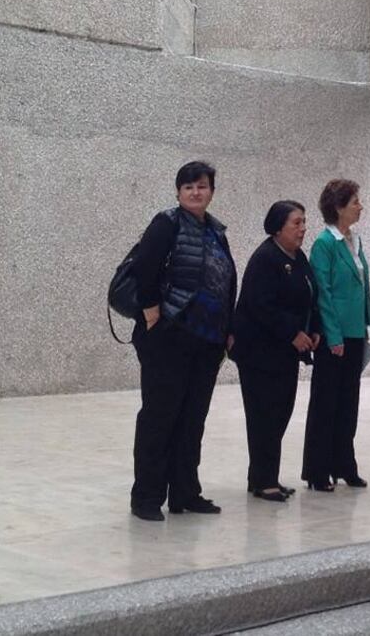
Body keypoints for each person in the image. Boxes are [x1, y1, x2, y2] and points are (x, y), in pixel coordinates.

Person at [129, 161, 237, 522]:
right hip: (169, 338)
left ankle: (185, 492)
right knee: (160, 418)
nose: (196, 192)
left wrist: (227, 329)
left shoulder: (215, 231)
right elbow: (146, 266)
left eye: (202, 186)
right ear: (178, 192)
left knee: (193, 419)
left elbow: (225, 281)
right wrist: (151, 313)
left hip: (206, 342)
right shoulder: (167, 223)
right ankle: (146, 497)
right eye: (189, 186)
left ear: (211, 191)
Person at [230, 201, 320, 501]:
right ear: (278, 227)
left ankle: (266, 475)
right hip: (259, 352)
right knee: (263, 415)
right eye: (296, 223)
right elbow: (260, 306)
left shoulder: (298, 257)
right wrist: (292, 333)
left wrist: (313, 330)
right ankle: (262, 480)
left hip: (285, 353)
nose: (303, 229)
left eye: (304, 222)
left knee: (280, 412)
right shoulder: (265, 258)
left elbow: (310, 295)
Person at [301, 179, 370, 491]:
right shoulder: (324, 243)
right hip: (336, 335)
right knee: (326, 403)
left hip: (356, 330)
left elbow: (362, 284)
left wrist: (366, 321)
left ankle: (344, 464)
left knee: (348, 402)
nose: (360, 206)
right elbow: (323, 294)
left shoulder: (353, 240)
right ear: (339, 207)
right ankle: (318, 471)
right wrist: (333, 336)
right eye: (355, 201)